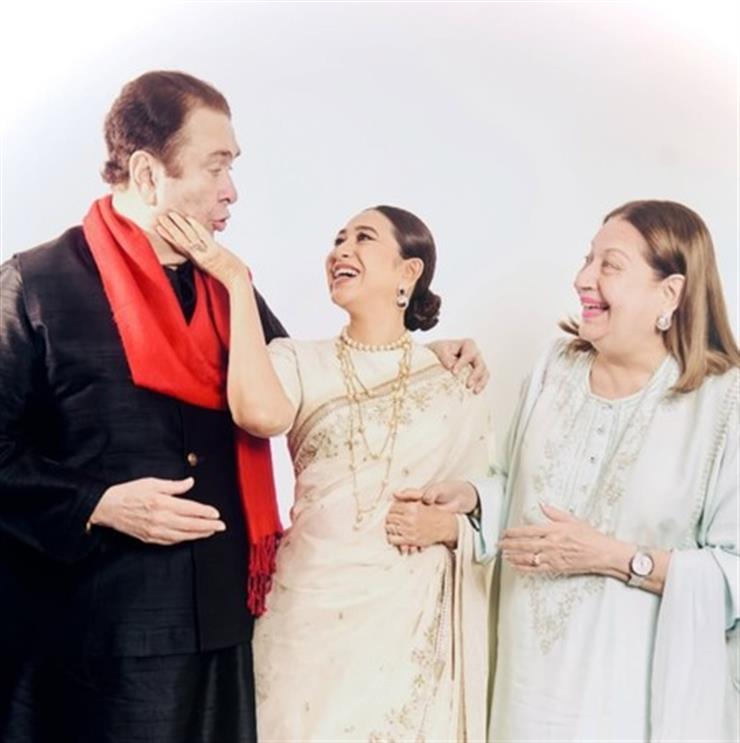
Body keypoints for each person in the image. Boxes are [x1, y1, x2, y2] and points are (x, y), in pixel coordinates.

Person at [0, 70, 487, 743]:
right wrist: (99, 502)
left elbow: (318, 389)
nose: (232, 189)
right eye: (216, 165)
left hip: (230, 631)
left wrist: (430, 353)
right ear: (147, 173)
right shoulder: (36, 283)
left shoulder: (230, 287)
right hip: (97, 644)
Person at [156, 204, 494, 741]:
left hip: (405, 618)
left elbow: (489, 488)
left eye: (363, 238)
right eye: (338, 240)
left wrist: (452, 527)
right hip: (309, 606)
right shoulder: (297, 360)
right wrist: (236, 281)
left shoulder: (452, 378)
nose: (341, 251)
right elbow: (258, 414)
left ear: (408, 272)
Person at [422, 200, 739, 741]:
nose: (583, 279)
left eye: (609, 265)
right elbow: (515, 486)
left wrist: (614, 557)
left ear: (670, 294)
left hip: (632, 707)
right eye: (587, 259)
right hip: (523, 688)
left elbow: (733, 570)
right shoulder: (555, 369)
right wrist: (474, 497)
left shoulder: (721, 403)